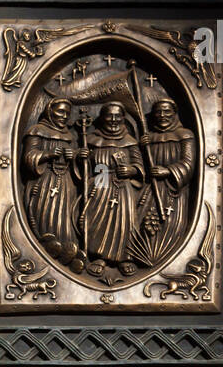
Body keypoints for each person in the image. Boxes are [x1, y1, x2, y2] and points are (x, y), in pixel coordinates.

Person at [80, 101, 144, 275]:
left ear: (123, 118)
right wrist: (82, 158)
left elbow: (139, 166)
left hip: (122, 184)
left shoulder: (129, 141)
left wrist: (131, 170)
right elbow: (83, 169)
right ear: (102, 118)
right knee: (98, 216)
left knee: (124, 219)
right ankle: (99, 256)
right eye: (109, 115)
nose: (113, 119)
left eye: (118, 116)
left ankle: (125, 257)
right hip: (101, 177)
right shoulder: (92, 139)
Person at [22, 97, 86, 270]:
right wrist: (47, 154)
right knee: (45, 213)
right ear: (50, 111)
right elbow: (28, 158)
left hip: (66, 182)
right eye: (60, 111)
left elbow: (77, 162)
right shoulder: (37, 130)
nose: (64, 116)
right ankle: (47, 247)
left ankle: (68, 251)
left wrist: (75, 157)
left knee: (65, 217)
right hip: (46, 180)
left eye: (67, 113)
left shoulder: (70, 135)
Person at [139, 98, 196, 254]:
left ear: (174, 114)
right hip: (151, 188)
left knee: (169, 224)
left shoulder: (184, 135)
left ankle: (161, 254)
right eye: (158, 112)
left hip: (172, 189)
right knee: (140, 221)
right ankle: (143, 253)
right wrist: (143, 147)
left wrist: (168, 171)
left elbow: (189, 163)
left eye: (167, 111)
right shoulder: (149, 137)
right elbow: (141, 164)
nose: (162, 115)